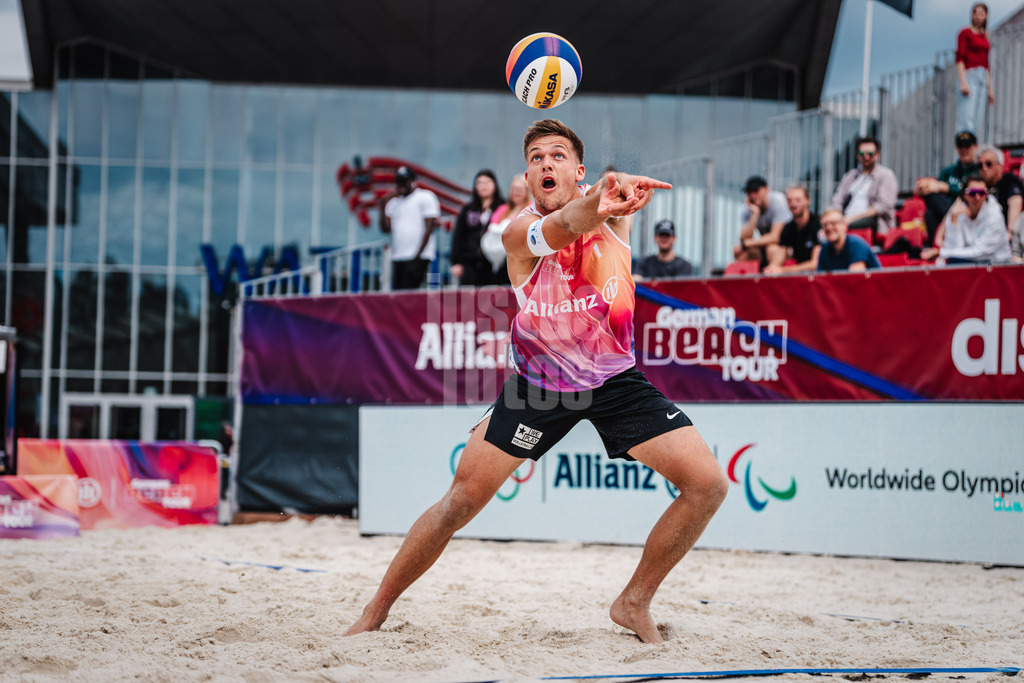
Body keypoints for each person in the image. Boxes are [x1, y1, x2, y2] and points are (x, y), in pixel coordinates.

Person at [344, 118, 728, 644]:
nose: (546, 163)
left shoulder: (615, 217)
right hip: (538, 386)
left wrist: (616, 194)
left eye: (557, 155)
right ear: (526, 175)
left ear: (579, 169)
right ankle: (376, 608)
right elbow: (563, 228)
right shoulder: (516, 231)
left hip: (616, 380)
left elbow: (596, 211)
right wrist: (601, 200)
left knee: (708, 484)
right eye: (537, 157)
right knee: (459, 502)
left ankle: (633, 600)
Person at [921, 176, 1011, 265]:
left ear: (986, 195)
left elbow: (981, 252)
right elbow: (955, 248)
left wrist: (941, 252)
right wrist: (954, 219)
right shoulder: (958, 210)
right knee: (952, 263)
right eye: (972, 193)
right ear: (964, 195)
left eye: (981, 193)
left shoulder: (994, 215)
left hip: (997, 265)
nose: (977, 197)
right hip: (972, 263)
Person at [380, 166, 441, 290]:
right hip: (399, 256)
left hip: (419, 256)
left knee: (410, 292)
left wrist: (417, 256)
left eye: (404, 181)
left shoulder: (425, 197)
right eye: (398, 181)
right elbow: (385, 229)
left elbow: (429, 228)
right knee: (400, 294)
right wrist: (382, 206)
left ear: (412, 182)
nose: (401, 185)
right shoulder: (393, 203)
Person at [915, 131, 980, 243]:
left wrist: (946, 188)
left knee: (932, 210)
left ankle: (936, 247)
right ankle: (935, 248)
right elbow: (934, 191)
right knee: (930, 210)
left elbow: (976, 192)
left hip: (967, 211)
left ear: (975, 147)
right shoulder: (947, 171)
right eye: (960, 146)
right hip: (944, 211)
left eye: (967, 146)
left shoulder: (980, 170)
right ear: (956, 148)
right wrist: (922, 187)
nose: (964, 150)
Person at [831, 135, 898, 237]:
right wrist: (835, 217)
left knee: (839, 227)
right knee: (822, 224)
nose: (866, 157)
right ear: (857, 155)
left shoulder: (886, 175)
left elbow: (883, 206)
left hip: (873, 221)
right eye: (862, 153)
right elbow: (837, 200)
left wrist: (850, 219)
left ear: (877, 155)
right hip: (845, 218)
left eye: (870, 154)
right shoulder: (851, 175)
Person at [450, 170, 505, 286]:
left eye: (487, 182)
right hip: (469, 263)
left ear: (494, 185)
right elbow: (459, 235)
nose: (483, 186)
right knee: (468, 301)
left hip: (494, 264)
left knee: (492, 300)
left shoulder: (503, 207)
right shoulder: (468, 209)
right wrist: (456, 262)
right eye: (479, 183)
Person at [482, 174, 532, 286]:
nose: (516, 192)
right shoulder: (502, 209)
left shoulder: (530, 208)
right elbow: (492, 227)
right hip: (498, 259)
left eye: (519, 189)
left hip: (519, 259)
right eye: (514, 189)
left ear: (526, 191)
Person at [733, 176, 791, 266]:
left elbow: (776, 237)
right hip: (764, 246)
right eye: (749, 192)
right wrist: (755, 214)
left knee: (771, 249)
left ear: (767, 189)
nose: (752, 195)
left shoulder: (778, 201)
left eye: (756, 191)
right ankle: (748, 279)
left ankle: (772, 277)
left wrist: (748, 243)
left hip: (786, 247)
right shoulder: (748, 208)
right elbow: (744, 238)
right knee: (740, 252)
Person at [955, 2, 994, 137]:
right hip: (970, 75)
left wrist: (990, 88)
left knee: (976, 123)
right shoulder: (965, 33)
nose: (978, 16)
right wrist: (963, 81)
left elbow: (986, 63)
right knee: (966, 121)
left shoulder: (985, 37)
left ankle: (972, 155)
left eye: (981, 14)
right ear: (972, 15)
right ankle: (962, 156)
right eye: (976, 13)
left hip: (983, 77)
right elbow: (960, 58)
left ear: (986, 17)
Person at [763, 184, 821, 275]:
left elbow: (815, 264)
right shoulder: (788, 228)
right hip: (802, 274)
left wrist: (783, 270)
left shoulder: (818, 224)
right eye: (789, 200)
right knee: (772, 249)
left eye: (798, 200)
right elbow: (781, 252)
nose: (793, 204)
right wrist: (772, 268)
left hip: (820, 275)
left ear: (807, 201)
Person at [977, 144, 1023, 235]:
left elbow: (1016, 202)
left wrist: (1010, 232)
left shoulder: (1009, 181)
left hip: (1003, 237)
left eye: (988, 164)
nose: (984, 168)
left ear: (999, 165)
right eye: (980, 165)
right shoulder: (977, 185)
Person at [816, 207, 881, 273]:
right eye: (825, 225)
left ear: (844, 225)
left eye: (833, 223)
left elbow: (854, 279)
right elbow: (819, 279)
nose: (829, 227)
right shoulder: (825, 249)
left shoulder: (856, 245)